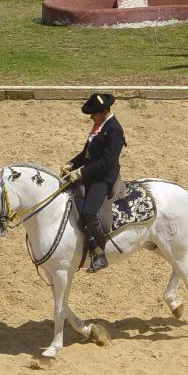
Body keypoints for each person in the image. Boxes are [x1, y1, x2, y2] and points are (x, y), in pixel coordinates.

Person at [61, 93, 127, 273]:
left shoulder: (114, 130)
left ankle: (100, 254)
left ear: (105, 111)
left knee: (89, 213)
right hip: (90, 173)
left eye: (94, 113)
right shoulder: (99, 127)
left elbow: (107, 162)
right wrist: (71, 164)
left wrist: (81, 172)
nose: (91, 117)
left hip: (103, 177)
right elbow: (86, 154)